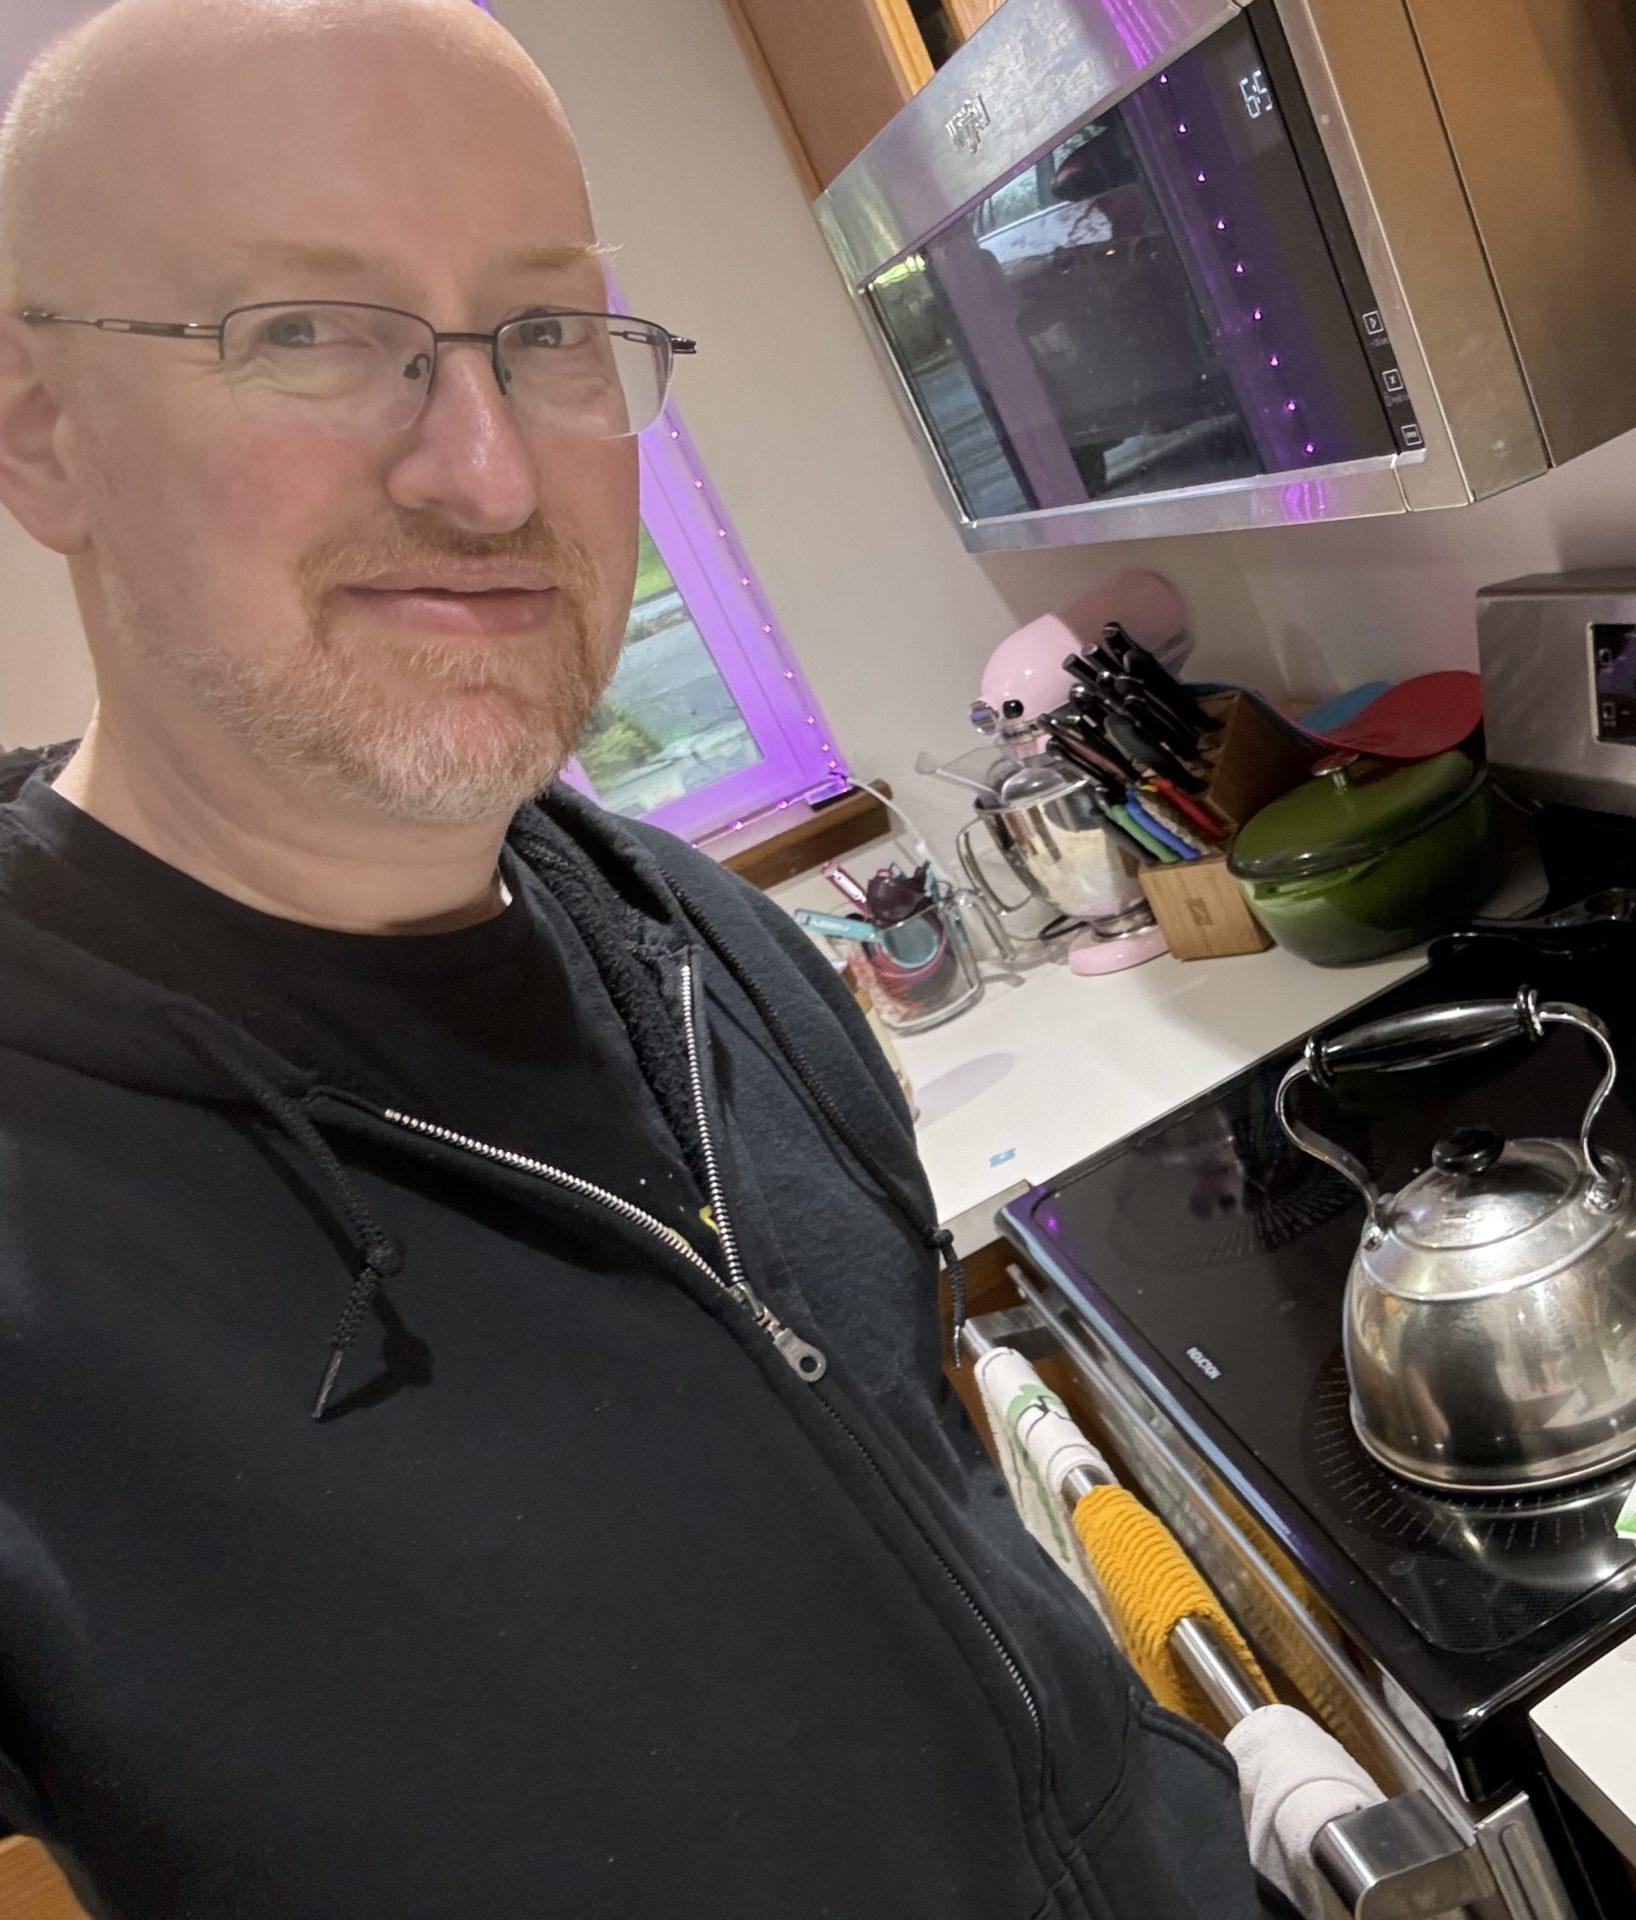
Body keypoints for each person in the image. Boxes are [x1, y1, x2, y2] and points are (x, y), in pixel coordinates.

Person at [0, 2, 1279, 1913]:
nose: (492, 477)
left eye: (548, 334)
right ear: (44, 439)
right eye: (307, 335)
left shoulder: (719, 954)